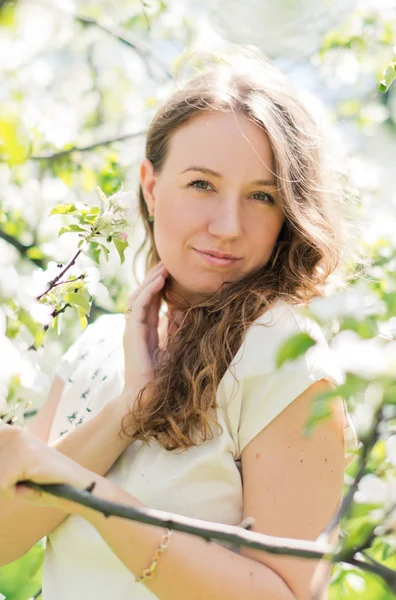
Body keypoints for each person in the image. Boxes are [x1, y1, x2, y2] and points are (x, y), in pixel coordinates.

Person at [0, 45, 359, 600]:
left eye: (260, 196)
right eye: (201, 184)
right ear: (150, 185)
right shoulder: (100, 347)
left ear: (288, 213)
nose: (228, 225)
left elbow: (289, 595)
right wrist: (127, 412)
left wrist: (93, 496)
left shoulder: (284, 357)